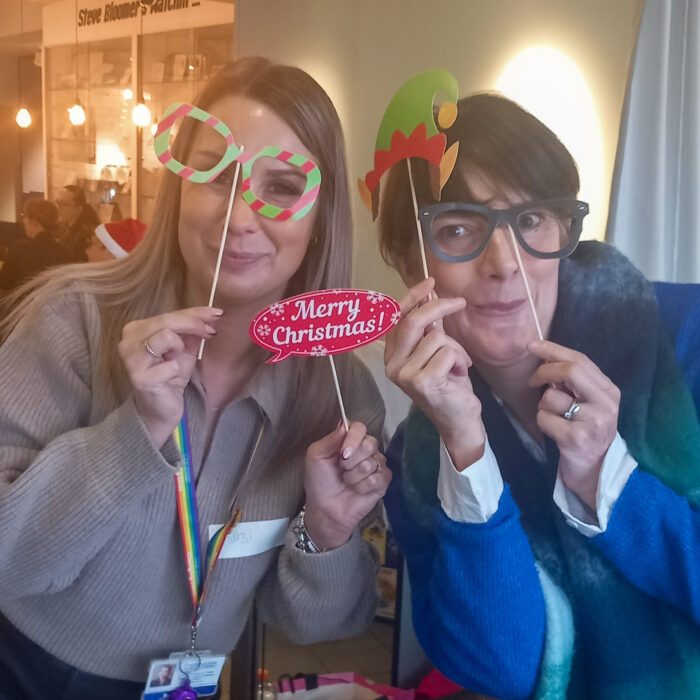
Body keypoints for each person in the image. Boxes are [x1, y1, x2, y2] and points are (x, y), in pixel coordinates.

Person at [0, 57, 390, 700]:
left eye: (284, 187)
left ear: (322, 215)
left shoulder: (338, 398)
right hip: (24, 668)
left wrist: (326, 531)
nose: (239, 217)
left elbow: (321, 624)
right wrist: (138, 430)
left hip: (185, 688)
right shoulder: (74, 319)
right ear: (176, 185)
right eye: (214, 172)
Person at [379, 93, 700, 699]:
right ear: (407, 262)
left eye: (529, 220)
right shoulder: (418, 461)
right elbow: (501, 668)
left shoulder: (682, 337)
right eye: (457, 228)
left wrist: (611, 481)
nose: (505, 263)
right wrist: (466, 447)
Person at [0, 198, 70, 293]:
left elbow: (4, 285)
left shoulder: (19, 249)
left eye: (24, 217)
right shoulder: (64, 253)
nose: (23, 221)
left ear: (34, 221)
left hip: (22, 305)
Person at [55, 184, 101, 262]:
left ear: (79, 208)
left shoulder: (86, 235)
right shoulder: (64, 228)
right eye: (58, 203)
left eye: (65, 204)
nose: (59, 208)